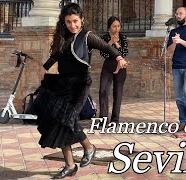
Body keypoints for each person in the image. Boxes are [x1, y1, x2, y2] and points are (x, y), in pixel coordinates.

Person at [33, 3, 129, 179]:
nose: (72, 25)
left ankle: (89, 148)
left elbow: (107, 47)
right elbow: (56, 55)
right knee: (58, 120)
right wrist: (44, 67)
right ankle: (70, 165)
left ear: (82, 20)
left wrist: (119, 57)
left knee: (67, 119)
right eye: (68, 22)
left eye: (75, 21)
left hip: (79, 86)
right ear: (64, 21)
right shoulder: (62, 36)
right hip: (62, 84)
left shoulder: (87, 36)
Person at [99, 16, 128, 124]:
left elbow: (124, 53)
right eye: (114, 26)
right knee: (103, 91)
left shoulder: (123, 37)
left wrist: (116, 43)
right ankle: (103, 120)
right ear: (109, 27)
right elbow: (103, 53)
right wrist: (110, 42)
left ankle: (115, 120)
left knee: (118, 94)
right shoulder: (104, 38)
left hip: (121, 66)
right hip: (108, 66)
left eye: (118, 26)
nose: (117, 29)